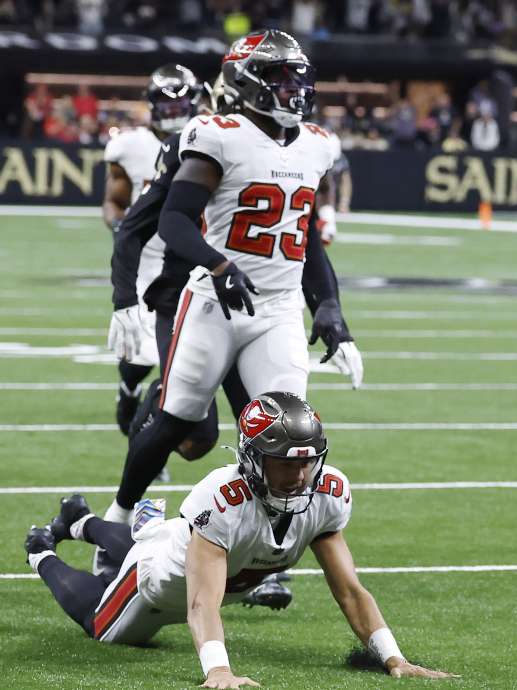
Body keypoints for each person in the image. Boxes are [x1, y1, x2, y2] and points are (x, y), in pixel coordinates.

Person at [102, 29, 363, 563]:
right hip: (211, 304)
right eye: (280, 78)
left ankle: (266, 552)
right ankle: (117, 521)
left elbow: (306, 238)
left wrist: (329, 307)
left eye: (297, 77)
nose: (293, 88)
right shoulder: (217, 135)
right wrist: (218, 264)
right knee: (179, 419)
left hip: (279, 308)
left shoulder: (316, 143)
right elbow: (172, 220)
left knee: (285, 432)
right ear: (246, 83)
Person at [23, 392, 453, 687]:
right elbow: (200, 602)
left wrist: (394, 658)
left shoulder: (327, 493)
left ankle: (80, 520)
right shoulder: (223, 497)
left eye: (307, 462)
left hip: (191, 548)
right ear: (252, 458)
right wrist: (218, 669)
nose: (300, 475)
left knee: (157, 536)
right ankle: (41, 551)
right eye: (285, 463)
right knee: (103, 626)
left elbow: (350, 591)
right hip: (160, 583)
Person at [104, 64, 204, 437]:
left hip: (194, 260)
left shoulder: (211, 138)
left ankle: (153, 434)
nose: (174, 111)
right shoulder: (131, 145)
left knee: (178, 362)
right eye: (166, 103)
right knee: (139, 356)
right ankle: (129, 388)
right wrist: (123, 230)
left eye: (181, 103)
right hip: (146, 261)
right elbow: (114, 202)